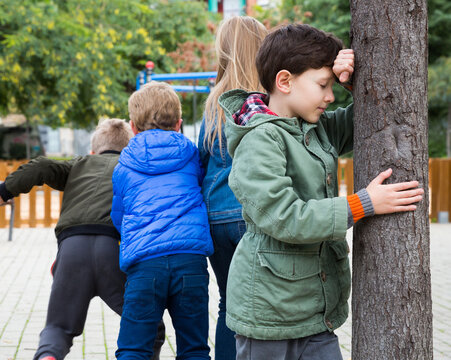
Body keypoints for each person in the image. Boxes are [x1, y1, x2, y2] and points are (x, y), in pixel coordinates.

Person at [219, 24, 424, 359]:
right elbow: (284, 216)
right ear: (284, 81)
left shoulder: (314, 127)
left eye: (332, 86)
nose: (330, 96)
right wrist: (363, 204)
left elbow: (370, 121)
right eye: (322, 85)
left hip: (316, 317)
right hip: (269, 318)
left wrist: (356, 84)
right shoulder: (259, 139)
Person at [0, 118, 165, 360]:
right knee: (150, 328)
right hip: (113, 252)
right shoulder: (133, 167)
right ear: (129, 148)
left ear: (93, 151)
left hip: (72, 250)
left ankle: (48, 356)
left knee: (57, 329)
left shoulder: (78, 165)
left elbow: (39, 166)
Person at [111, 81, 214, 360]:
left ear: (132, 127)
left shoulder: (124, 166)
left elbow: (119, 216)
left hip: (145, 265)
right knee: (194, 347)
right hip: (190, 261)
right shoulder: (192, 155)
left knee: (134, 347)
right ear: (179, 123)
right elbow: (201, 189)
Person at [198, 16, 267, 360]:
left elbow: (201, 161)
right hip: (249, 213)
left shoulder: (214, 103)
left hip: (215, 218)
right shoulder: (267, 103)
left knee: (229, 304)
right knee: (263, 307)